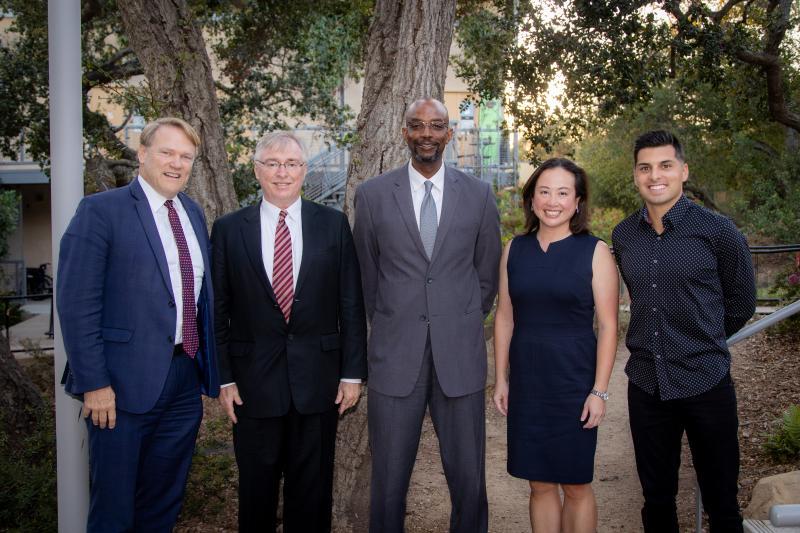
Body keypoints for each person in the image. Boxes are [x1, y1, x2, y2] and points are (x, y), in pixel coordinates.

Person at [57, 117, 220, 532]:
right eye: (167, 152)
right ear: (142, 153)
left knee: (164, 500)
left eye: (186, 157)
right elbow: (77, 305)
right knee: (114, 507)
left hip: (184, 379)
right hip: (119, 386)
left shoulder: (193, 213)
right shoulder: (101, 210)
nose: (176, 163)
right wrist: (94, 384)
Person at [353, 97, 502, 533]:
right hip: (396, 358)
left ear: (449, 134)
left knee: (469, 478)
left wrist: (459, 318)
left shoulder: (478, 195)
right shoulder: (373, 195)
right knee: (388, 483)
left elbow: (486, 273)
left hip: (459, 357)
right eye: (417, 126)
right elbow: (367, 276)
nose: (426, 134)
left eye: (436, 126)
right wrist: (395, 321)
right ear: (404, 133)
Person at [211, 131, 367, 532]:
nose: (283, 173)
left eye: (292, 164)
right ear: (257, 170)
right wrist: (224, 378)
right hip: (252, 387)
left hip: (318, 384)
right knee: (256, 495)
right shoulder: (229, 229)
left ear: (304, 170)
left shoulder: (333, 224)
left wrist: (352, 373)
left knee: (312, 496)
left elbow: (350, 304)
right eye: (273, 164)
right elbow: (218, 311)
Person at [612, 130, 756, 533]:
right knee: (657, 500)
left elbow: (741, 303)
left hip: (706, 383)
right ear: (636, 175)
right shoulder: (624, 237)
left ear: (683, 171)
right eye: (645, 167)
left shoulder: (718, 231)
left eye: (665, 165)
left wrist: (699, 340)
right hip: (646, 385)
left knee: (721, 500)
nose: (654, 175)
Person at [493, 158, 618, 533]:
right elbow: (504, 317)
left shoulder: (595, 251)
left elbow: (609, 325)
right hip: (529, 383)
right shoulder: (514, 249)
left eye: (563, 192)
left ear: (577, 201)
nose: (553, 201)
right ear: (531, 200)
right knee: (540, 482)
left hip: (574, 382)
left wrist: (600, 391)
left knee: (576, 483)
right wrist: (501, 378)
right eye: (544, 192)